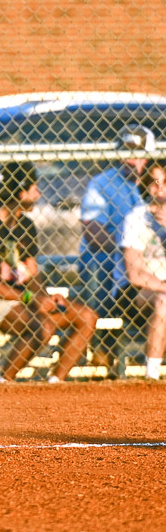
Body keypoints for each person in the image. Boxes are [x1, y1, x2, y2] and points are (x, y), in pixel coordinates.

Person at [0, 161, 98, 383]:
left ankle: (56, 381)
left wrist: (45, 297)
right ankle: (4, 380)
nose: (39, 193)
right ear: (20, 191)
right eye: (34, 187)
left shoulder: (25, 225)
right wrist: (32, 299)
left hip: (24, 299)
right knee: (42, 327)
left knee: (87, 316)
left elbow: (32, 273)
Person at [78, 124, 154, 311]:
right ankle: (102, 333)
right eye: (123, 151)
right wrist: (130, 251)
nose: (126, 159)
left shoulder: (160, 183)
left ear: (150, 156)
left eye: (135, 153)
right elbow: (93, 233)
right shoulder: (102, 183)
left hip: (156, 251)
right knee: (98, 262)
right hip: (113, 253)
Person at [116, 160, 166, 379]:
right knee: (164, 300)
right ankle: (152, 375)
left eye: (165, 182)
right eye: (155, 183)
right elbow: (134, 273)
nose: (161, 188)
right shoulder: (136, 218)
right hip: (136, 291)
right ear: (147, 187)